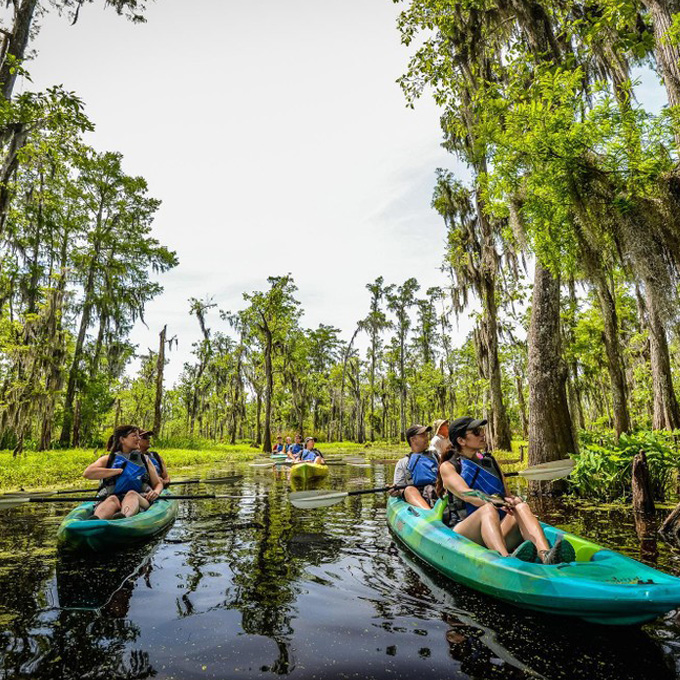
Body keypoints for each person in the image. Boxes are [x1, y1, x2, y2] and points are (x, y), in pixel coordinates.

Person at [438, 416, 575, 564]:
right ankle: (505, 560)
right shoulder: (449, 467)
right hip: (464, 533)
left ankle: (545, 555)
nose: (482, 434)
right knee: (488, 509)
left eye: (481, 430)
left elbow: (507, 495)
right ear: (461, 441)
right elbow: (466, 494)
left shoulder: (491, 462)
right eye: (476, 432)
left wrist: (511, 500)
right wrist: (494, 501)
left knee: (520, 506)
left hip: (494, 531)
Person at [83, 424, 164, 520]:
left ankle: (123, 518)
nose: (139, 439)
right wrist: (117, 471)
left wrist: (156, 492)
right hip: (113, 496)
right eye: (134, 436)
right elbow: (88, 473)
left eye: (139, 436)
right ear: (122, 440)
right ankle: (96, 522)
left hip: (140, 498)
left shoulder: (144, 459)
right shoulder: (109, 459)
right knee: (111, 499)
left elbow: (158, 483)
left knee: (131, 494)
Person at [391, 424, 439, 509]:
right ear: (413, 440)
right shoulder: (403, 462)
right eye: (423, 436)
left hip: (436, 490)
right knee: (409, 490)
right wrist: (395, 491)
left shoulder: (435, 456)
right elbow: (399, 489)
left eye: (426, 435)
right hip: (417, 495)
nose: (427, 438)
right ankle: (428, 513)